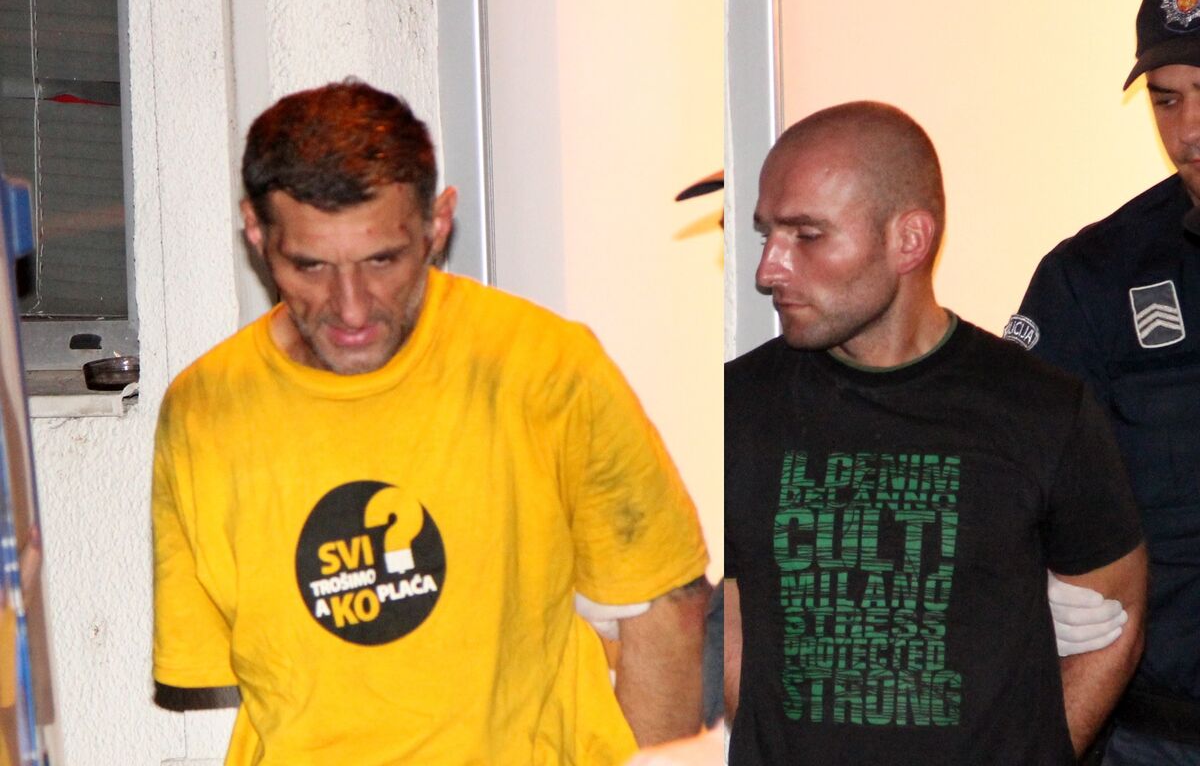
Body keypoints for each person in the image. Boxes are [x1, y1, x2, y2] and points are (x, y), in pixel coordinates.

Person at [150, 79, 710, 765]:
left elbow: (665, 606)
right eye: (311, 266)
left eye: (381, 260)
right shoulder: (204, 407)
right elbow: (221, 663)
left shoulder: (544, 368)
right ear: (256, 233)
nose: (351, 308)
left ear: (437, 224)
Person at [724, 101, 1148, 765]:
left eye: (807, 236)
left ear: (910, 240)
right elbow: (726, 620)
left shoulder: (1041, 408)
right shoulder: (736, 405)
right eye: (766, 235)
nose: (769, 270)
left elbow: (1114, 622)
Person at [1010, 0, 1200, 761]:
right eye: (1166, 99)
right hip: (1158, 737)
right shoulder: (1093, 279)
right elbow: (1008, 486)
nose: (1189, 130)